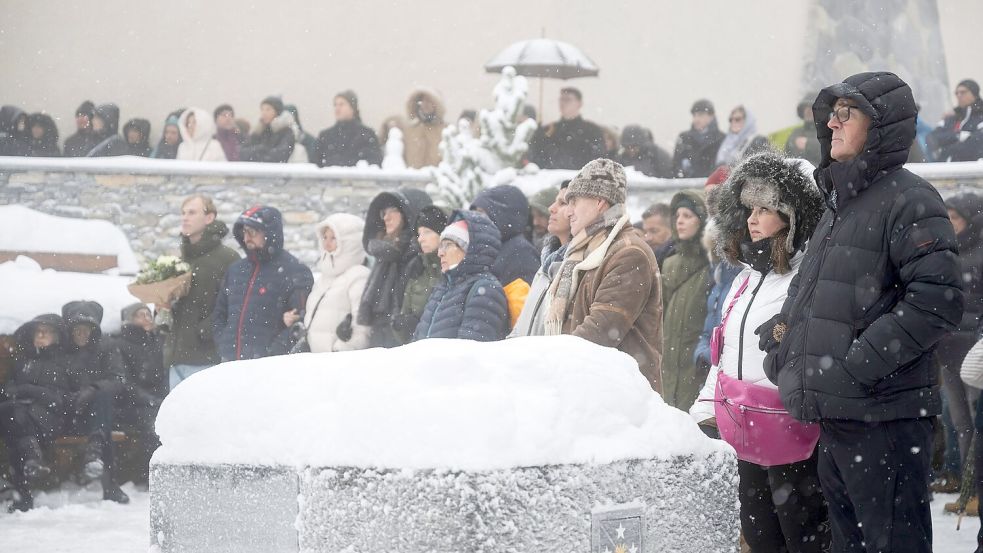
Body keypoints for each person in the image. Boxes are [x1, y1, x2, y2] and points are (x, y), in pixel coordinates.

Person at [761, 72, 964, 553]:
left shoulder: (910, 199)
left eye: (845, 113)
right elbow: (812, 293)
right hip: (841, 418)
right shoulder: (841, 203)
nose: (832, 122)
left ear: (882, 126)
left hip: (885, 421)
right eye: (831, 113)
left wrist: (857, 366)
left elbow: (938, 300)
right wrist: (783, 342)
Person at [689, 150, 828, 552]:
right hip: (742, 434)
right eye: (749, 208)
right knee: (761, 540)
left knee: (802, 540)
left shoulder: (806, 278)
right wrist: (705, 408)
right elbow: (724, 352)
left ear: (792, 216)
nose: (752, 219)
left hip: (792, 435)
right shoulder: (743, 280)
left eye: (765, 208)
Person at [542, 158, 663, 391]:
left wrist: (546, 360)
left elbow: (600, 332)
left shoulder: (629, 253)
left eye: (574, 201)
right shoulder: (583, 253)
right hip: (588, 389)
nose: (568, 211)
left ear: (599, 202)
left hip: (622, 400)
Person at [213, 205, 313, 361]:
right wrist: (224, 343)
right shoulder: (235, 270)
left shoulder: (295, 271)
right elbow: (220, 314)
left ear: (269, 233)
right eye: (244, 232)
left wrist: (273, 352)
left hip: (269, 367)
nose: (246, 238)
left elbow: (300, 322)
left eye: (252, 232)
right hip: (230, 363)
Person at [935, 193, 983, 493]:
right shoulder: (943, 252)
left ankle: (976, 488)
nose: (950, 224)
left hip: (975, 353)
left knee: (976, 424)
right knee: (959, 423)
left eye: (955, 217)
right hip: (948, 349)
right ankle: (968, 491)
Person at [166, 195, 239, 388]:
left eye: (192, 212)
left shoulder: (227, 259)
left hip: (207, 357)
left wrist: (205, 330)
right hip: (175, 356)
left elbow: (235, 305)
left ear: (209, 218)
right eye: (183, 213)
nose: (185, 218)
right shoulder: (178, 259)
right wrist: (162, 307)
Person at [0, 314, 71, 512]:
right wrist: (14, 391)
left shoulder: (62, 363)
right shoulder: (23, 361)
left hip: (49, 420)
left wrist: (28, 390)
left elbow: (59, 400)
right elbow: (9, 389)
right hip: (19, 418)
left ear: (56, 337)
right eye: (37, 331)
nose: (40, 335)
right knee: (14, 425)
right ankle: (30, 465)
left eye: (46, 332)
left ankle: (22, 488)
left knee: (14, 420)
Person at [61, 300, 129, 504]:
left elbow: (119, 380)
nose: (81, 334)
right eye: (77, 329)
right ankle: (110, 483)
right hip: (66, 413)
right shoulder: (62, 351)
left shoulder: (106, 348)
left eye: (86, 329)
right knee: (102, 426)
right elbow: (53, 383)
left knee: (102, 406)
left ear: (93, 330)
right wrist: (72, 397)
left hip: (98, 414)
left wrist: (93, 389)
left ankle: (97, 455)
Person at [413, 213, 509, 341]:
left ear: (469, 250)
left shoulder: (485, 290)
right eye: (441, 246)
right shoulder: (443, 287)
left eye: (448, 245)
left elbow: (468, 355)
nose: (440, 253)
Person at [357, 188, 433, 347]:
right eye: (383, 212)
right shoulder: (384, 254)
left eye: (393, 210)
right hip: (379, 334)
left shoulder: (419, 257)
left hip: (404, 339)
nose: (386, 217)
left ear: (408, 213)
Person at [660, 190, 710, 408]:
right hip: (668, 367)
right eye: (677, 215)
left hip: (697, 370)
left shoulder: (714, 266)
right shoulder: (669, 264)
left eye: (688, 215)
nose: (680, 221)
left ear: (702, 220)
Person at [470, 184, 540, 327]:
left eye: (482, 213)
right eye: (475, 213)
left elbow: (522, 313)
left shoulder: (520, 253)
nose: (476, 219)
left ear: (503, 215)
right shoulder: (485, 248)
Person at [510, 181, 573, 338]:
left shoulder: (577, 266)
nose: (552, 208)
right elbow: (524, 322)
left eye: (562, 203)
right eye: (534, 216)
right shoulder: (546, 261)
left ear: (575, 212)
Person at [112, 303, 166, 484]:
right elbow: (125, 382)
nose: (147, 317)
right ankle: (150, 474)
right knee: (153, 423)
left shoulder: (157, 341)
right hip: (130, 405)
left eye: (148, 313)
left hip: (157, 400)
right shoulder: (119, 345)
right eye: (140, 315)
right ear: (129, 320)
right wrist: (151, 400)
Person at [304, 213, 372, 353]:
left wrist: (341, 351)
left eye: (333, 238)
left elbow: (362, 326)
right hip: (315, 363)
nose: (327, 242)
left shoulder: (358, 276)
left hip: (339, 365)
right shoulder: (324, 278)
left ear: (349, 242)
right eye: (325, 237)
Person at [394, 206, 446, 344]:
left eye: (427, 232)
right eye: (419, 234)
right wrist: (401, 326)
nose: (421, 239)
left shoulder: (453, 271)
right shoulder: (417, 271)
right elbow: (403, 320)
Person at [526, 87, 605, 170]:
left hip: (578, 177)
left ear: (579, 103)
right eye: (561, 99)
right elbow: (537, 156)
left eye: (568, 100)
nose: (563, 103)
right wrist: (538, 135)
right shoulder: (549, 129)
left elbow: (598, 160)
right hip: (551, 178)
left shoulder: (592, 131)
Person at [316, 90, 383, 167]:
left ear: (352, 108)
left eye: (342, 104)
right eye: (335, 105)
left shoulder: (367, 135)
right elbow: (317, 163)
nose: (337, 108)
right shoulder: (325, 136)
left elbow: (375, 162)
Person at [928, 79, 983, 162]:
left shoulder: (980, 117)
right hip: (944, 170)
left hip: (972, 170)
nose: (959, 95)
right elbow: (931, 138)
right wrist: (957, 136)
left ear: (974, 94)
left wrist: (946, 146)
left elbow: (977, 143)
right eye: (956, 93)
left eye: (963, 92)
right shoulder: (951, 118)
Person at [673, 99, 725, 178]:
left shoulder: (721, 138)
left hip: (711, 186)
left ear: (711, 116)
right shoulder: (684, 138)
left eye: (700, 115)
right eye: (694, 115)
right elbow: (676, 166)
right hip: (687, 186)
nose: (696, 119)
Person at [240, 96, 295, 163]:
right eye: (262, 109)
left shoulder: (287, 132)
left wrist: (260, 152)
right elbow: (241, 152)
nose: (264, 113)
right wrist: (261, 150)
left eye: (268, 109)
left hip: (277, 172)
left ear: (277, 112)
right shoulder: (260, 131)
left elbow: (281, 155)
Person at [403, 88, 446, 168]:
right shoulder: (409, 131)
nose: (425, 105)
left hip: (437, 178)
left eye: (430, 102)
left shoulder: (446, 132)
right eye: (422, 101)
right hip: (412, 179)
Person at [783, 96, 822, 166]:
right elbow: (787, 154)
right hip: (797, 173)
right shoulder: (795, 132)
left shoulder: (827, 130)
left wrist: (808, 144)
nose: (808, 110)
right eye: (806, 107)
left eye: (812, 107)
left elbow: (829, 152)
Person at [527, 186, 558, 251]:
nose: (535, 222)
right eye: (533, 216)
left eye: (541, 215)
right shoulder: (529, 241)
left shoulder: (561, 247)